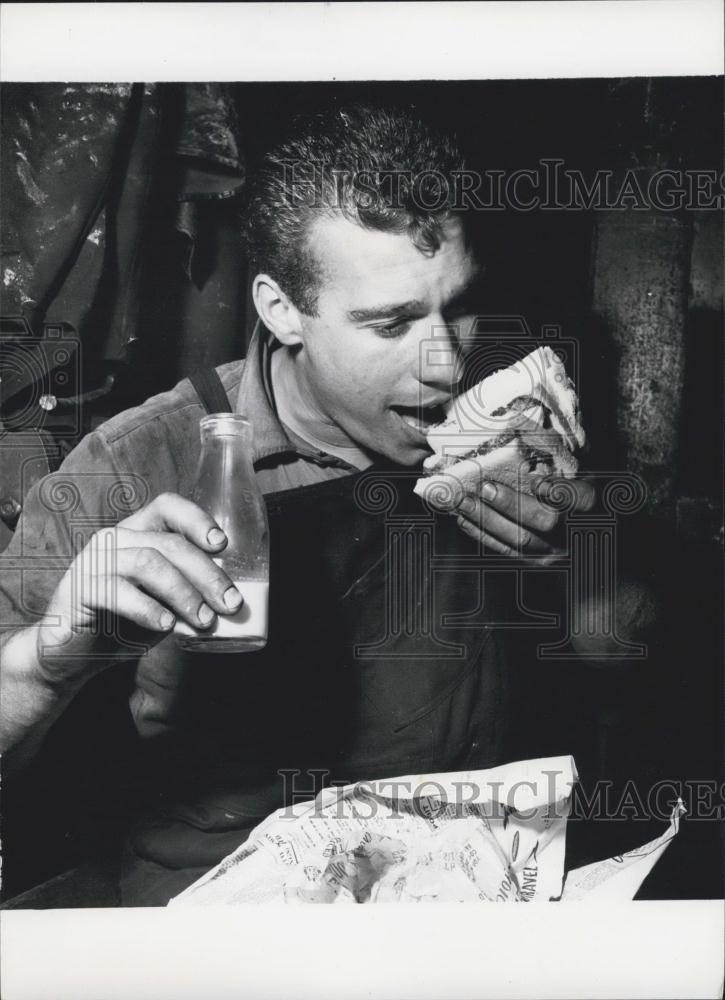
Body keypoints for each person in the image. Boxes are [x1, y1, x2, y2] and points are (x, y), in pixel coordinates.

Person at [0, 105, 643, 905]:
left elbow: (628, 671)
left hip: (473, 885)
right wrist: (43, 666)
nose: (447, 362)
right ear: (280, 310)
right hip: (218, 912)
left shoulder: (521, 420)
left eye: (458, 305)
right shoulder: (131, 466)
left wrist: (584, 559)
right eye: (390, 323)